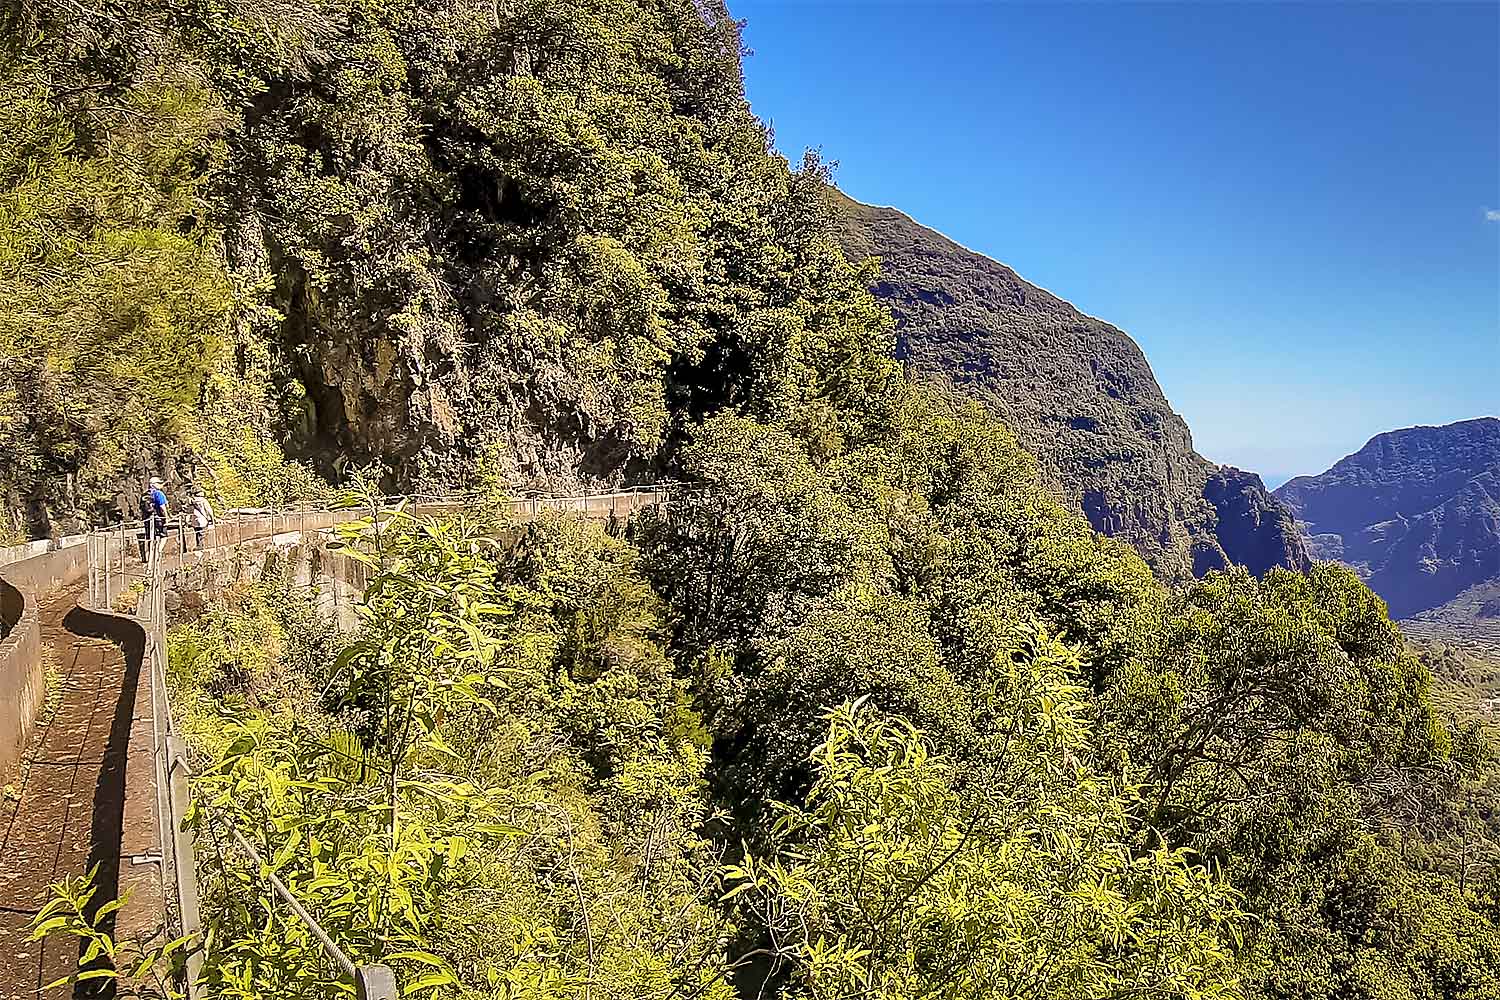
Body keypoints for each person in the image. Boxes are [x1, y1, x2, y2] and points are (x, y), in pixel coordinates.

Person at [139, 476, 168, 562]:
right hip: (158, 518)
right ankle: (158, 553)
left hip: (147, 519)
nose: (161, 485)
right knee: (163, 536)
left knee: (149, 537)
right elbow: (163, 508)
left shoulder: (144, 494)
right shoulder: (159, 493)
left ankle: (148, 557)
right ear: (154, 484)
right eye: (159, 483)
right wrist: (166, 518)